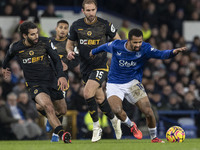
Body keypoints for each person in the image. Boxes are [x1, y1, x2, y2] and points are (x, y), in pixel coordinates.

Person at [90, 28, 187, 143]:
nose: (138, 44)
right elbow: (104, 46)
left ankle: (154, 138)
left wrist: (172, 52)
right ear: (128, 41)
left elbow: (160, 54)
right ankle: (131, 126)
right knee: (116, 110)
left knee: (148, 112)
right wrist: (93, 52)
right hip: (114, 84)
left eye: (140, 42)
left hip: (133, 83)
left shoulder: (145, 48)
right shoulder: (117, 45)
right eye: (135, 42)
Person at [2, 21, 71, 143]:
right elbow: (7, 56)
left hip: (51, 80)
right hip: (35, 84)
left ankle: (51, 121)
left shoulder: (45, 42)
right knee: (48, 107)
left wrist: (61, 76)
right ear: (24, 35)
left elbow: (56, 60)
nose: (36, 36)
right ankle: (62, 134)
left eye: (36, 33)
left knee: (62, 110)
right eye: (32, 34)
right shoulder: (16, 47)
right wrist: (4, 68)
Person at [66, 0, 122, 142]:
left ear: (96, 9)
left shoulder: (105, 24)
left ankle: (96, 127)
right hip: (85, 68)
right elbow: (69, 44)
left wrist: (116, 56)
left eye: (93, 10)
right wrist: (69, 52)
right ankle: (114, 119)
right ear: (83, 10)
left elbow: (118, 41)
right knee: (99, 98)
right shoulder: (76, 26)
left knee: (87, 93)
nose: (91, 13)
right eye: (88, 10)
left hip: (101, 66)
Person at [40, 19, 80, 142]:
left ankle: (56, 134)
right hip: (47, 78)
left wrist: (69, 66)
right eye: (61, 27)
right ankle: (49, 116)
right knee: (42, 105)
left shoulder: (71, 44)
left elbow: (77, 59)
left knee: (60, 108)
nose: (63, 30)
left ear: (68, 30)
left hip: (61, 79)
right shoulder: (48, 42)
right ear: (56, 29)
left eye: (65, 28)